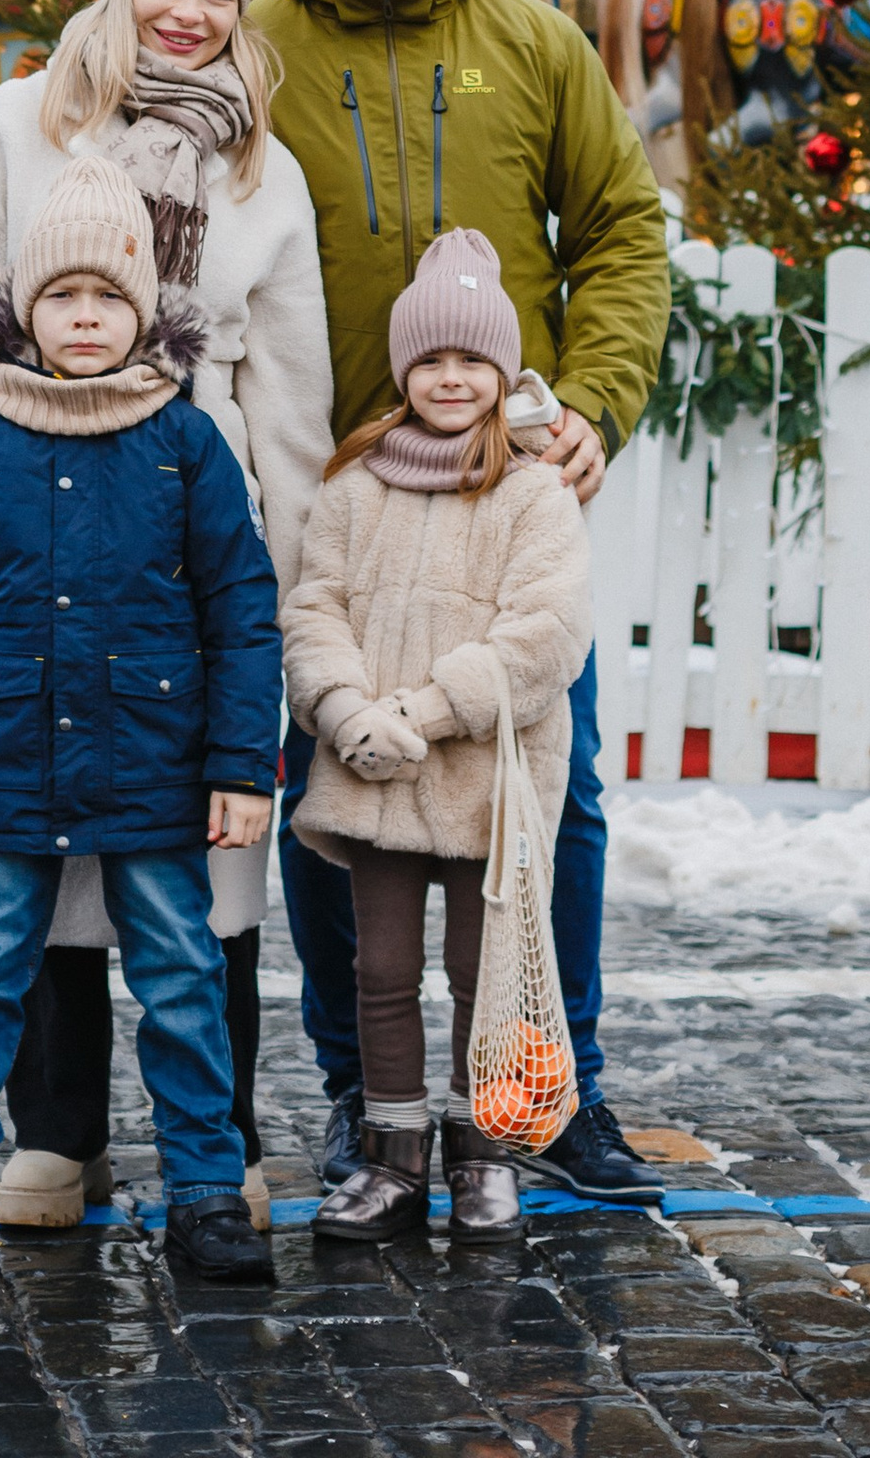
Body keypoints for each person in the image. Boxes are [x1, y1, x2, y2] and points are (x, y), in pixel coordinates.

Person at [0, 0, 332, 1227]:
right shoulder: (14, 127)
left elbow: (290, 400)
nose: (188, 14)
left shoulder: (262, 172)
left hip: (186, 541)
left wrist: (285, 598)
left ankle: (212, 1138)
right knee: (34, 856)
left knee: (205, 869)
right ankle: (55, 1132)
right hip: (26, 535)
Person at [252, 0, 672, 1203]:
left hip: (503, 498)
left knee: (552, 798)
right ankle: (353, 1094)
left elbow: (622, 230)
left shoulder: (531, 45)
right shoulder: (258, 49)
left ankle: (557, 1088)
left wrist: (597, 399)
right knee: (334, 782)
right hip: (331, 494)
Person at [0, 158, 281, 1293]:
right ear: (26, 311)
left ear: (144, 311)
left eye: (110, 298)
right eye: (64, 298)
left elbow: (240, 611)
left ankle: (205, 1189)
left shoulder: (186, 441)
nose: (88, 318)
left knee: (184, 980)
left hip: (155, 768)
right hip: (9, 766)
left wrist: (242, 764)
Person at [282, 226, 592, 1238]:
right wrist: (346, 711)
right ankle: (393, 1155)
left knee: (475, 971)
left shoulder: (531, 490)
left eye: (471, 361)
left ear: (501, 373)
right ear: (402, 368)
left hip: (480, 783)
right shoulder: (356, 484)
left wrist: (421, 712)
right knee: (376, 971)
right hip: (370, 770)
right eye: (429, 359)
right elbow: (313, 607)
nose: (449, 379)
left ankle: (481, 1154)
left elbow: (543, 637)